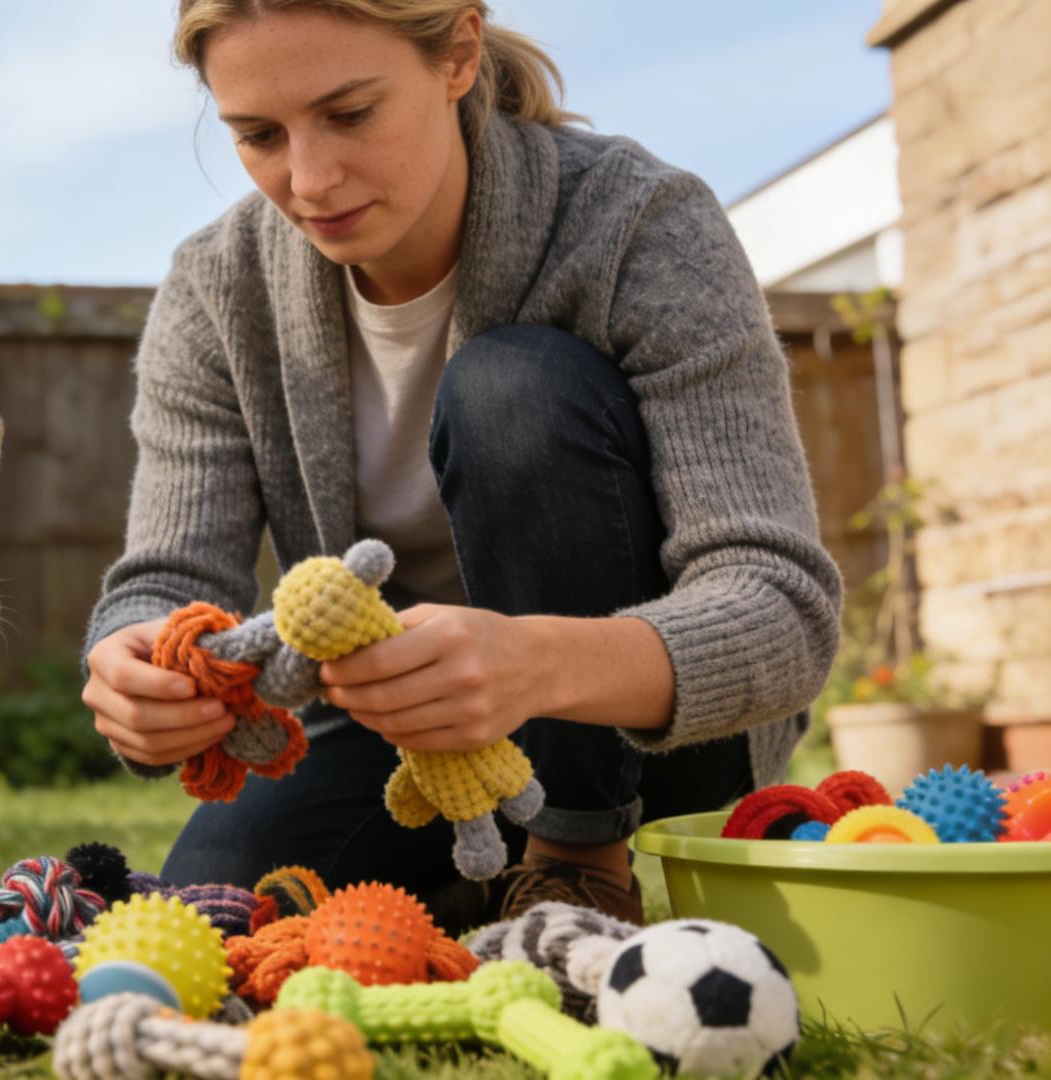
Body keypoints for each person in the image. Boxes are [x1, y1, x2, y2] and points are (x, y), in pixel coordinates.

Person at [79, 0, 843, 929]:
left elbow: (781, 607)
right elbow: (169, 577)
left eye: (351, 113)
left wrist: (533, 664)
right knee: (219, 914)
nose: (309, 180)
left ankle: (577, 861)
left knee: (507, 388)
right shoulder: (217, 288)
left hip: (651, 736)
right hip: (400, 734)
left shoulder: (641, 223)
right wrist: (138, 659)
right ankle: (474, 878)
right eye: (259, 135)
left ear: (459, 54)